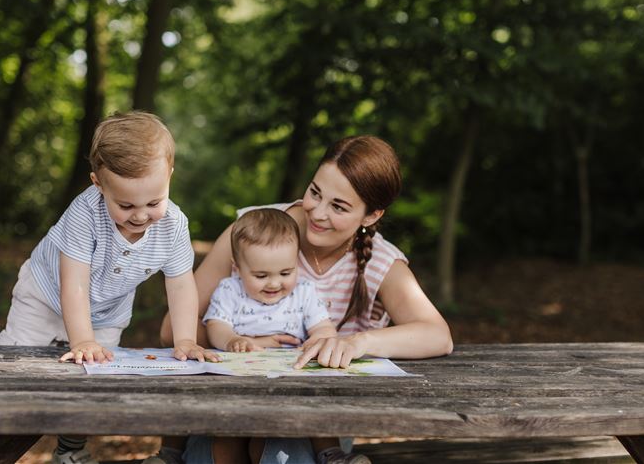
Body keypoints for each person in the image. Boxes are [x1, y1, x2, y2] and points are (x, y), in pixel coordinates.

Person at [146, 135, 453, 464]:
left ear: (371, 215)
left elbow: (438, 336)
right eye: (315, 193)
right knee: (215, 452)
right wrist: (243, 341)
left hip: (314, 417)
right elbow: (172, 328)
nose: (318, 213)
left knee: (286, 454)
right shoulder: (253, 234)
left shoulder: (381, 263)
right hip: (227, 404)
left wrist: (357, 343)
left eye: (338, 206)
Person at [0, 112, 217, 464]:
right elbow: (73, 284)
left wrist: (185, 339)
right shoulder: (84, 213)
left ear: (169, 177)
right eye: (126, 205)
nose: (140, 215)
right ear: (99, 183)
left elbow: (182, 284)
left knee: (95, 374)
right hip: (45, 296)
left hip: (108, 310)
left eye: (154, 202)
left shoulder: (173, 226)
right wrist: (81, 340)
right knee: (15, 367)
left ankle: (70, 448)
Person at [203, 208, 366, 464]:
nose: (274, 283)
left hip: (291, 381)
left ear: (296, 264)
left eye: (285, 273)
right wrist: (233, 340)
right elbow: (215, 325)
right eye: (260, 275)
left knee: (315, 403)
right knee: (228, 435)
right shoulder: (229, 290)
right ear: (238, 269)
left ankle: (332, 455)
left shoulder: (303, 293)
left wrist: (319, 339)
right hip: (240, 382)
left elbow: (323, 328)